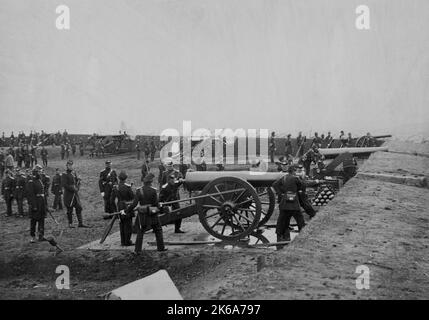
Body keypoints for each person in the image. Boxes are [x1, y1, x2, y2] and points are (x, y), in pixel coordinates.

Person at [127, 173, 167, 253]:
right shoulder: (153, 190)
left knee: (140, 232)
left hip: (142, 215)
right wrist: (160, 206)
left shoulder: (139, 190)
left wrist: (127, 210)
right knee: (158, 230)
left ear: (144, 182)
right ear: (151, 182)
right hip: (152, 213)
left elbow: (134, 204)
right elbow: (156, 204)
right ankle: (161, 248)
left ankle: (137, 250)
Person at [272, 165, 305, 248]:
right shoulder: (296, 178)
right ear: (293, 171)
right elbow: (302, 185)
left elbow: (275, 184)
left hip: (284, 201)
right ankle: (303, 233)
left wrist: (281, 193)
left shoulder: (284, 178)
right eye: (295, 170)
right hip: (293, 202)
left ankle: (279, 234)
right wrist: (297, 190)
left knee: (282, 218)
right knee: (299, 218)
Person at [61, 160, 89, 228]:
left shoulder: (74, 173)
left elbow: (76, 182)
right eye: (69, 165)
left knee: (79, 208)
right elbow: (64, 184)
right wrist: (72, 188)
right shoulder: (64, 174)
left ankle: (80, 223)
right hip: (68, 195)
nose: (70, 166)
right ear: (67, 166)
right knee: (69, 210)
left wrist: (78, 181)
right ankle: (70, 224)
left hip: (75, 195)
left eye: (71, 165)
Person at [111, 171, 135, 246]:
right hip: (126, 206)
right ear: (126, 178)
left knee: (121, 223)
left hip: (119, 206)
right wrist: (131, 188)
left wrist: (115, 210)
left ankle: (123, 241)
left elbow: (111, 200)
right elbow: (132, 197)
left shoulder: (115, 187)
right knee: (128, 224)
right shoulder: (127, 187)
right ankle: (127, 241)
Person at [26, 166, 48, 242]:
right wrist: (34, 206)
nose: (41, 172)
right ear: (35, 172)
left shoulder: (39, 180)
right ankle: (33, 236)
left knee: (41, 219)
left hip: (41, 203)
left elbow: (42, 193)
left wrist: (44, 204)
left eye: (40, 171)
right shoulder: (31, 181)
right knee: (34, 220)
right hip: (35, 204)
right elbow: (31, 195)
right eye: (39, 171)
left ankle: (41, 236)